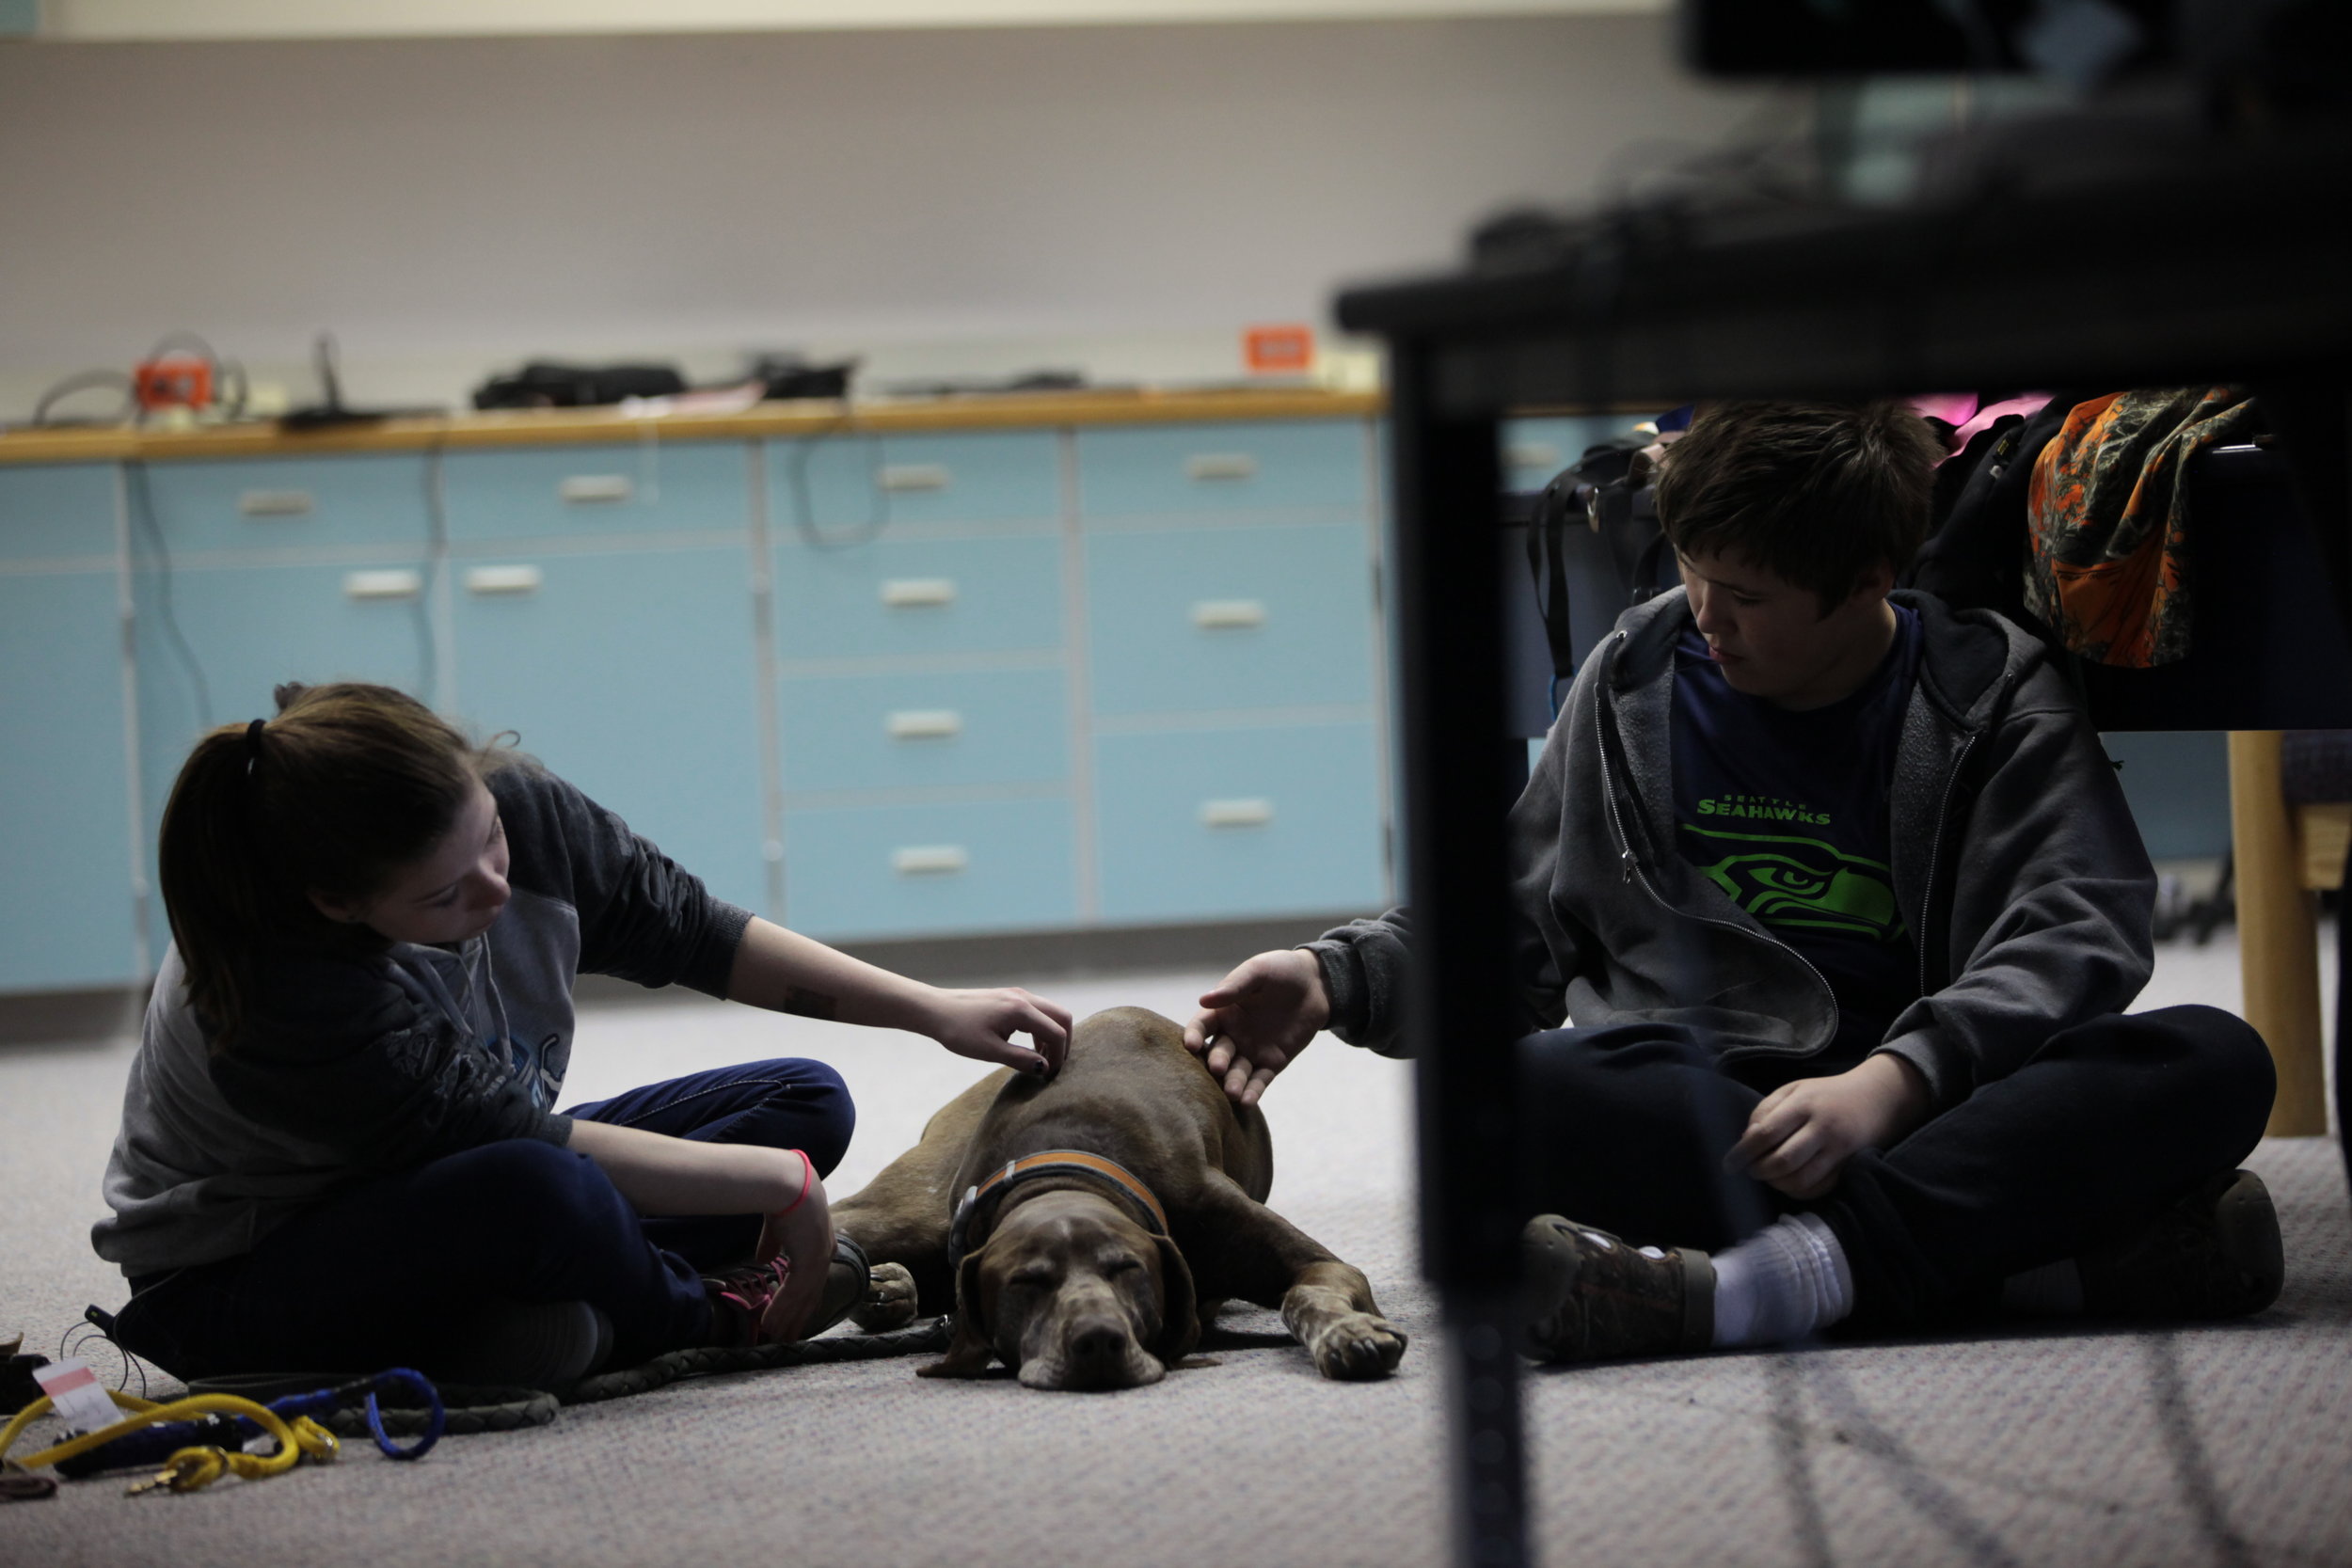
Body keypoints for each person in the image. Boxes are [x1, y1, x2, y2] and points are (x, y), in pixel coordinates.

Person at [1184, 400, 2281, 1361]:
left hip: (1924, 1100)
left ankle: (1748, 1287)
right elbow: (1514, 925)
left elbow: (2075, 929)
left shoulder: (1988, 687)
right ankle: (2001, 1260)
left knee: (2215, 1060)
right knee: (1517, 1096)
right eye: (1692, 574)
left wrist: (1893, 1081)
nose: (1707, 619)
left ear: (1868, 582)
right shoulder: (1635, 672)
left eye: (1746, 597)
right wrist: (1337, 976)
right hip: (1710, 1104)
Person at [97, 681, 1073, 1388]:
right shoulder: (280, 983)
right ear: (336, 900)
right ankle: (709, 1315)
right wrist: (788, 1191)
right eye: (445, 892)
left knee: (804, 1098)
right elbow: (520, 1144)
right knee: (551, 1190)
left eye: (490, 840)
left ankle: (543, 1316)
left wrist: (930, 1007)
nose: (494, 887)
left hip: (461, 1180)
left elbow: (697, 929)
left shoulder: (522, 809)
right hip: (237, 1276)